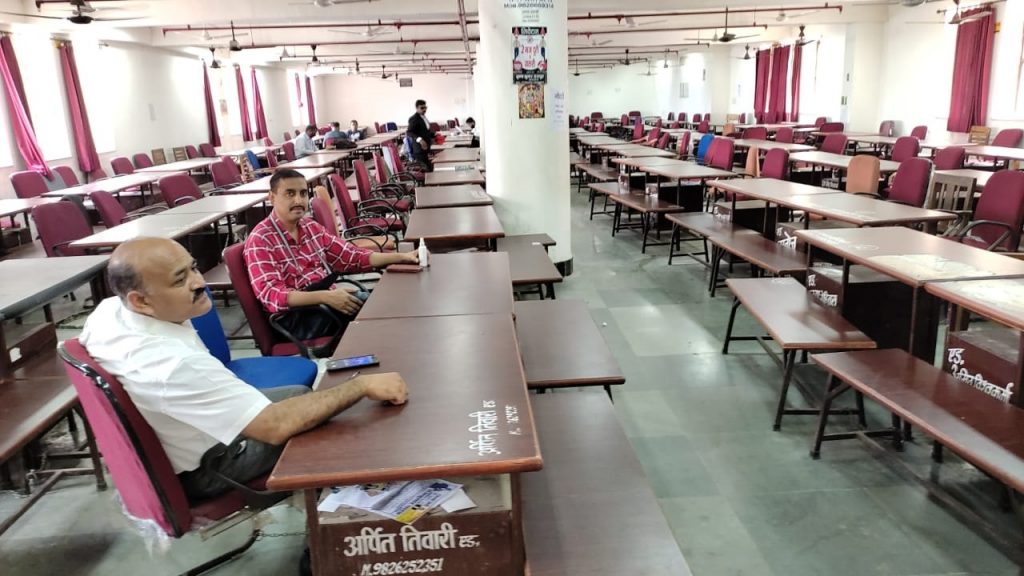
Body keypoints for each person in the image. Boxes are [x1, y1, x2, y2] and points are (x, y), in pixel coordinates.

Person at [80, 237, 409, 500]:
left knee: (302, 395)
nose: (199, 283)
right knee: (335, 426)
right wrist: (360, 386)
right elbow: (275, 427)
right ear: (140, 300)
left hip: (193, 427)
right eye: (180, 280)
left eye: (193, 268)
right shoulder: (172, 364)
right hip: (210, 465)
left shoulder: (110, 312)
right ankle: (329, 529)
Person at [243, 169, 419, 337]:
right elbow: (272, 295)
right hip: (296, 318)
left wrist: (402, 257)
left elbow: (352, 256)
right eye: (289, 194)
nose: (298, 200)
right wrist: (326, 297)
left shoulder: (310, 227)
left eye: (303, 193)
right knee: (383, 314)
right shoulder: (261, 239)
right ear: (272, 198)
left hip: (324, 302)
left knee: (390, 304)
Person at [406, 99, 435, 171]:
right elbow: (409, 132)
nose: (424, 109)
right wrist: (420, 139)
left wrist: (434, 135)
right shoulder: (414, 118)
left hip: (426, 147)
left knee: (429, 168)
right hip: (419, 149)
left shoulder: (423, 117)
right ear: (417, 108)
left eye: (425, 107)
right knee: (428, 169)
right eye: (422, 108)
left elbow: (424, 131)